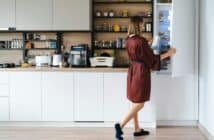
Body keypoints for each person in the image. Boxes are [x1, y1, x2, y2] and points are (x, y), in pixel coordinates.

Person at [114, 16, 176, 140]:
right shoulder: (140, 41)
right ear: (138, 25)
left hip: (133, 70)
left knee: (135, 101)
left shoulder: (129, 40)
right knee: (140, 103)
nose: (143, 26)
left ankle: (137, 129)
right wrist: (169, 53)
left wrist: (147, 44)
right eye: (142, 24)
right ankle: (120, 126)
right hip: (141, 72)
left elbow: (138, 51)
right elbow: (152, 59)